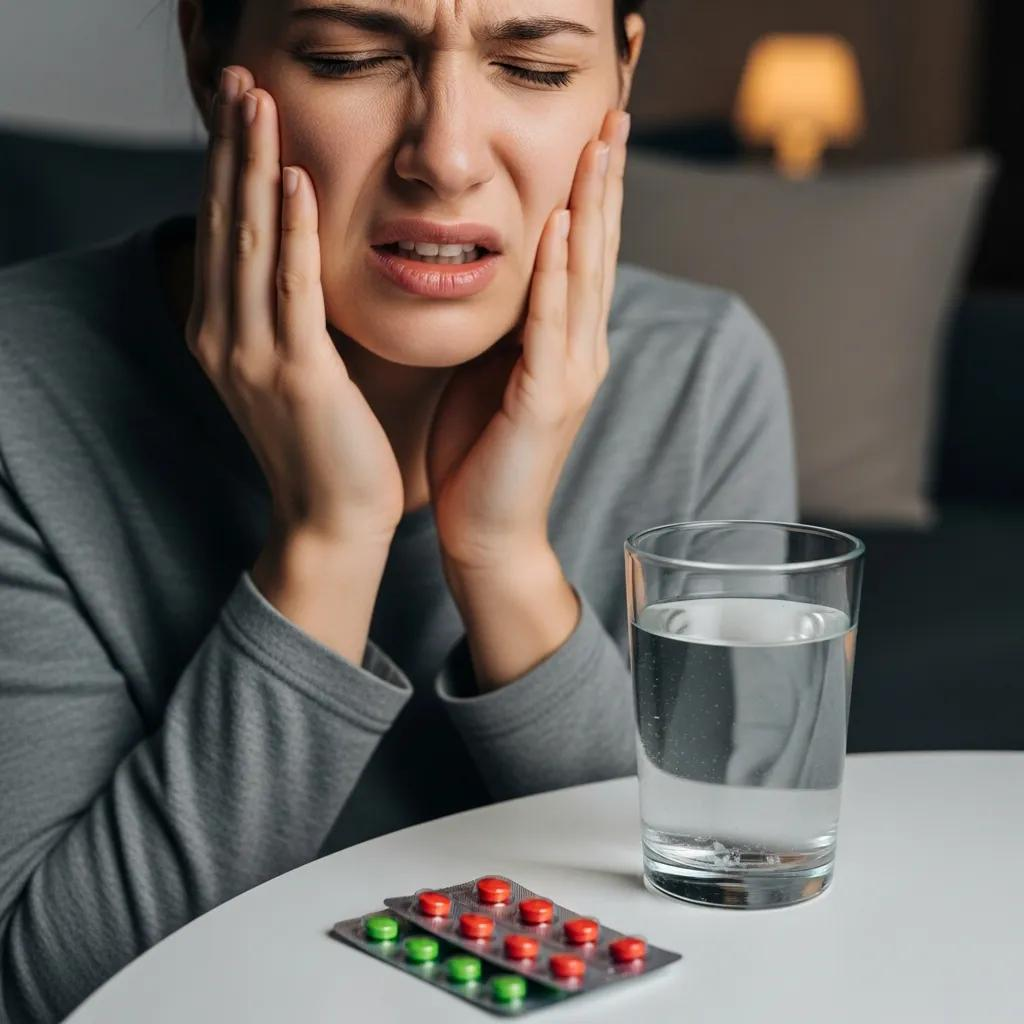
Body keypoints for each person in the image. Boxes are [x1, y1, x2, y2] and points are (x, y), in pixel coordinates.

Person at [0, 1, 798, 1019]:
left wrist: (505, 560)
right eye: (352, 59)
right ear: (209, 57)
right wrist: (328, 542)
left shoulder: (701, 376)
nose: (447, 157)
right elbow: (44, 992)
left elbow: (740, 920)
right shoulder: (20, 395)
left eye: (536, 70)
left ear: (620, 77)